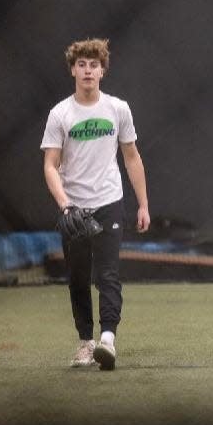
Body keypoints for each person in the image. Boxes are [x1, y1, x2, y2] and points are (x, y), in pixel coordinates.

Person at [41, 38, 150, 370]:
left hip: (109, 202)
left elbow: (131, 158)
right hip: (74, 208)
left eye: (94, 64)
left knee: (108, 274)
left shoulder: (118, 109)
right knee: (77, 278)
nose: (88, 70)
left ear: (103, 71)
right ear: (73, 69)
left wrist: (143, 204)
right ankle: (86, 343)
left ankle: (107, 340)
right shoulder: (60, 113)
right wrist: (65, 206)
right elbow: (50, 165)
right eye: (82, 64)